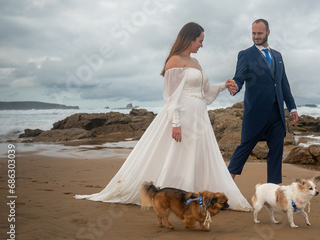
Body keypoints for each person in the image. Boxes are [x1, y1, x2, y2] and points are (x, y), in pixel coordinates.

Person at [75, 22, 252, 211]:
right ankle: (174, 197)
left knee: (197, 155)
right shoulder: (174, 61)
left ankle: (194, 195)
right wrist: (175, 122)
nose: (202, 45)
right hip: (183, 114)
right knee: (179, 154)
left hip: (199, 114)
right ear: (190, 39)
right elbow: (171, 96)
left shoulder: (196, 62)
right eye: (200, 41)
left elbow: (204, 92)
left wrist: (223, 86)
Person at [227, 19, 298, 184]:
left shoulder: (278, 56)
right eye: (253, 33)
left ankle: (274, 193)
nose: (256, 36)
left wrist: (292, 108)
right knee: (244, 148)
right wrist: (234, 86)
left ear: (268, 32)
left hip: (277, 114)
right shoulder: (246, 54)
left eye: (259, 33)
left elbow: (283, 84)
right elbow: (239, 78)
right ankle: (225, 188)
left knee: (276, 153)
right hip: (255, 113)